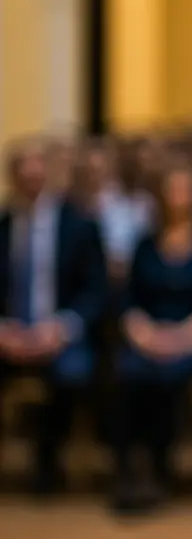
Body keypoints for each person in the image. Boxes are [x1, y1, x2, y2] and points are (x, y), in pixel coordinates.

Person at [108, 158, 192, 515]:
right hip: (148, 336)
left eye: (185, 190)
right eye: (171, 189)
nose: (178, 197)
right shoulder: (145, 244)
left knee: (167, 378)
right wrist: (145, 334)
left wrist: (180, 340)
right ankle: (129, 471)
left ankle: (160, 470)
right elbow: (130, 300)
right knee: (127, 372)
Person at [0, 138, 107, 495]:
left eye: (37, 169)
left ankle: (47, 463)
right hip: (9, 336)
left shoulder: (78, 223)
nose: (31, 176)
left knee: (72, 373)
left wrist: (61, 328)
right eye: (23, 170)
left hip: (60, 333)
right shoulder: (3, 225)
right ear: (12, 177)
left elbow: (96, 291)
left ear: (49, 174)